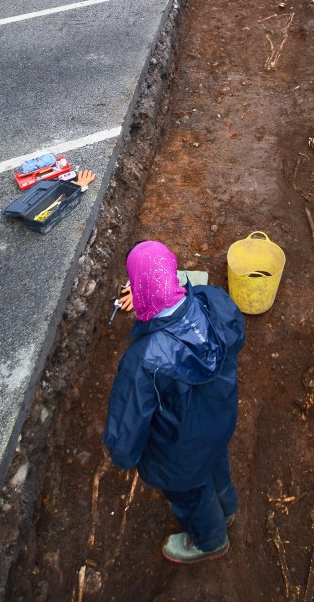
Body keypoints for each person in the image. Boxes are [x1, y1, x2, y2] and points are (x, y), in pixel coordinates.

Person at [103, 241, 246, 564]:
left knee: (191, 498)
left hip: (178, 454)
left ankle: (211, 541)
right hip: (219, 423)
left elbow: (126, 430)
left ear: (139, 290)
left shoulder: (145, 359)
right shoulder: (214, 302)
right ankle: (228, 509)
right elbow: (238, 337)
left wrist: (124, 456)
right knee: (215, 465)